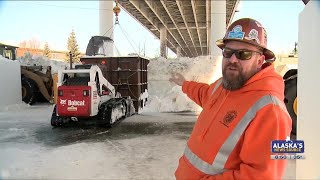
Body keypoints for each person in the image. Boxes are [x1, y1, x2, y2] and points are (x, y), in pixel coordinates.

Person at [170, 18, 292, 179]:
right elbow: (205, 95)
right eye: (228, 52)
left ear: (260, 61)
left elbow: (261, 176)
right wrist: (184, 84)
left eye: (244, 54)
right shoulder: (225, 85)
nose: (233, 59)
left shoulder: (270, 110)